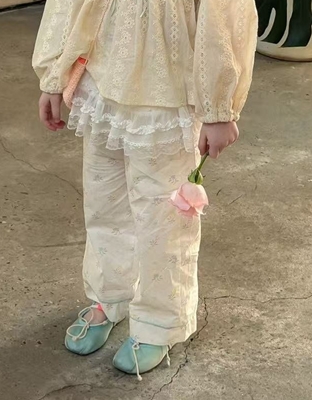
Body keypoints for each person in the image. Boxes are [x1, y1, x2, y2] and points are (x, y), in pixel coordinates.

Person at [32, 0, 258, 380]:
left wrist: (220, 108)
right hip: (102, 75)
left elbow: (226, 11)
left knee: (163, 220)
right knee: (104, 204)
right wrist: (55, 73)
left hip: (168, 88)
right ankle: (110, 296)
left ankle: (158, 322)